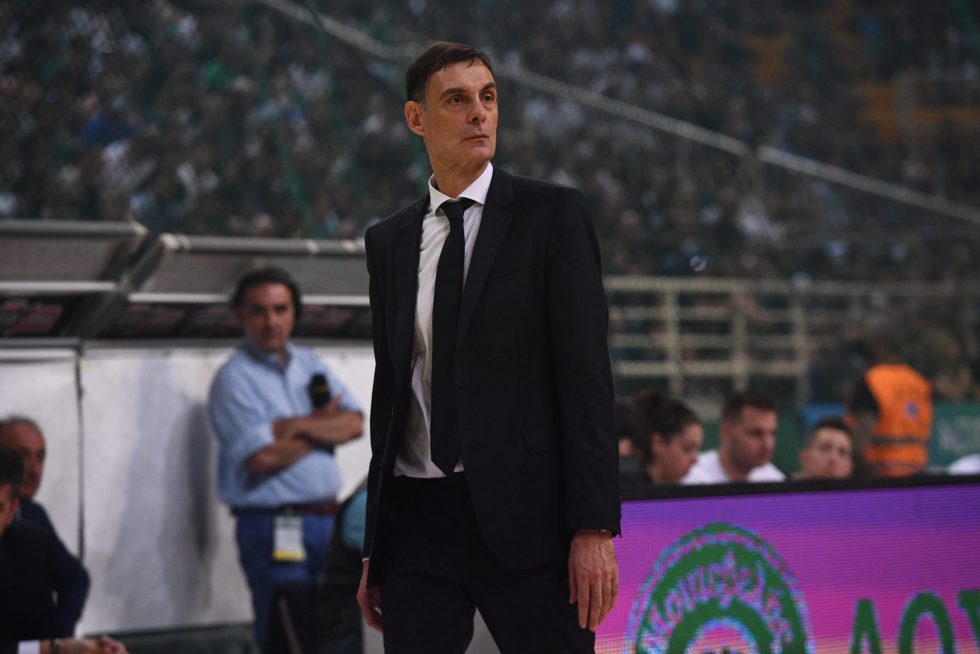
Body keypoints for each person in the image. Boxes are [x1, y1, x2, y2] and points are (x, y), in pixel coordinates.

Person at [359, 41, 620, 653]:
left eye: (489, 97)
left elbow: (585, 376)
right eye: (457, 100)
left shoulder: (552, 214)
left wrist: (593, 527)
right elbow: (391, 393)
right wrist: (376, 545)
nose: (479, 113)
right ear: (416, 118)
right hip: (417, 517)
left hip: (526, 515)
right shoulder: (389, 240)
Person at [208, 267, 364, 649]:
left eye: (280, 309)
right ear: (241, 316)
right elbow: (262, 458)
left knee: (334, 631)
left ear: (295, 312)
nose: (271, 321)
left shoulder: (309, 363)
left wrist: (294, 426)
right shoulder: (233, 379)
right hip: (273, 525)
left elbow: (355, 424)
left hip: (327, 523)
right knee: (289, 634)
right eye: (259, 311)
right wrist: (322, 425)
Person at [0, 446, 127, 654]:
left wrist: (88, 650)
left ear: (13, 511)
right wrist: (52, 649)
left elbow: (47, 638)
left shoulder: (30, 546)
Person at [0, 417, 90, 636]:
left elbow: (74, 578)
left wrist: (59, 639)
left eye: (40, 458)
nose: (33, 469)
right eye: (22, 456)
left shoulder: (34, 519)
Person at [848, 329, 933, 477]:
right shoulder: (919, 381)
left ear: (881, 345)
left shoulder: (873, 380)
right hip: (917, 469)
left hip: (881, 471)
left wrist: (855, 460)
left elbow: (864, 427)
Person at [682, 391, 786, 484]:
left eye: (772, 434)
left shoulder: (775, 481)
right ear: (726, 432)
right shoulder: (690, 478)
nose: (767, 444)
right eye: (755, 434)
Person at [632, 390, 703, 485]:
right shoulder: (627, 488)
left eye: (697, 449)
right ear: (658, 443)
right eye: (687, 448)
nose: (695, 460)